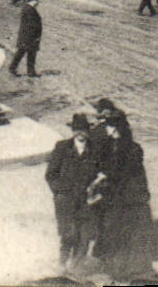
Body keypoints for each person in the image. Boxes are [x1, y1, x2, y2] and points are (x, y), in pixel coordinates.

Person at [90, 107, 155, 283]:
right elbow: (99, 165)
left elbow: (126, 170)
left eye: (111, 125)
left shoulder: (134, 149)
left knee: (126, 233)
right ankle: (112, 267)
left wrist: (105, 175)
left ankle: (127, 270)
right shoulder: (107, 145)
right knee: (110, 230)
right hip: (112, 196)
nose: (108, 129)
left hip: (129, 198)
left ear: (119, 127)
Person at [45, 113, 97, 270]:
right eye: (77, 129)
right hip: (66, 200)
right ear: (73, 131)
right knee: (69, 234)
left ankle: (76, 268)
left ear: (88, 131)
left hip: (87, 201)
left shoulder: (95, 150)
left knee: (85, 236)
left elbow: (102, 173)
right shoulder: (62, 147)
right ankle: (62, 265)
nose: (80, 133)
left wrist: (95, 190)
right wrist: (60, 193)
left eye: (83, 129)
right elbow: (51, 174)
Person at [8, 0, 43, 77]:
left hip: (27, 36)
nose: (38, 2)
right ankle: (14, 68)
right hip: (29, 36)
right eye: (37, 0)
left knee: (27, 53)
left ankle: (29, 71)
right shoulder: (29, 9)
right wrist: (35, 36)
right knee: (24, 53)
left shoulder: (28, 8)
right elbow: (31, 25)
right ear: (33, 0)